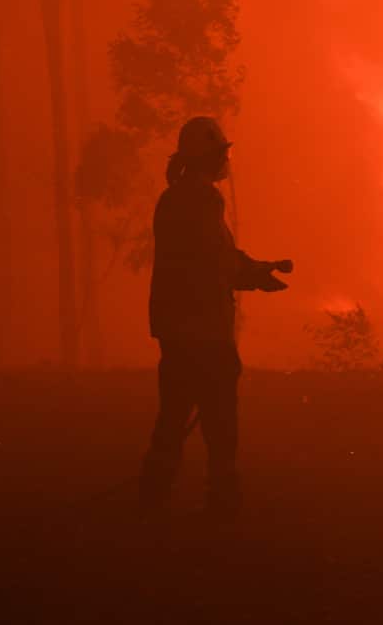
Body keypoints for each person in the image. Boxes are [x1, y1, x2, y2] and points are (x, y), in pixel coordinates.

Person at [140, 116, 291, 516]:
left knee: (172, 417)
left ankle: (152, 497)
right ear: (209, 158)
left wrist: (256, 269)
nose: (226, 160)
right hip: (205, 330)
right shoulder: (205, 200)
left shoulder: (172, 198)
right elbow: (214, 261)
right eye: (222, 153)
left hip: (175, 329)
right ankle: (222, 501)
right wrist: (256, 275)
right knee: (220, 423)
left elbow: (208, 257)